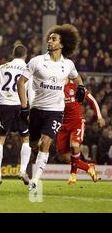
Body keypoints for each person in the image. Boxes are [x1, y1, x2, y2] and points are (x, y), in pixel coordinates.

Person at [17, 24, 83, 194]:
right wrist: (25, 107)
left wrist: (81, 88)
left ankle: (35, 180)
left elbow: (77, 79)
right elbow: (21, 82)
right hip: (37, 109)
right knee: (34, 144)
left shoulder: (68, 64)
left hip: (56, 111)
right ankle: (32, 164)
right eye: (49, 38)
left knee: (46, 143)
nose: (49, 40)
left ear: (62, 44)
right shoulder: (37, 61)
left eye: (54, 39)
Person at [0, 44, 32, 185]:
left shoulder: (2, 67)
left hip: (5, 105)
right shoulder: (28, 69)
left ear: (13, 54)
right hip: (21, 105)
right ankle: (22, 170)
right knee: (26, 138)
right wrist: (32, 107)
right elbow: (31, 90)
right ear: (25, 55)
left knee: (0, 139)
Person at [57, 79, 105, 184]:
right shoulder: (55, 86)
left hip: (77, 122)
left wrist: (99, 117)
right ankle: (88, 167)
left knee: (74, 145)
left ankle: (73, 176)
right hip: (62, 125)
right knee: (64, 157)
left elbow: (92, 100)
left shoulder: (75, 85)